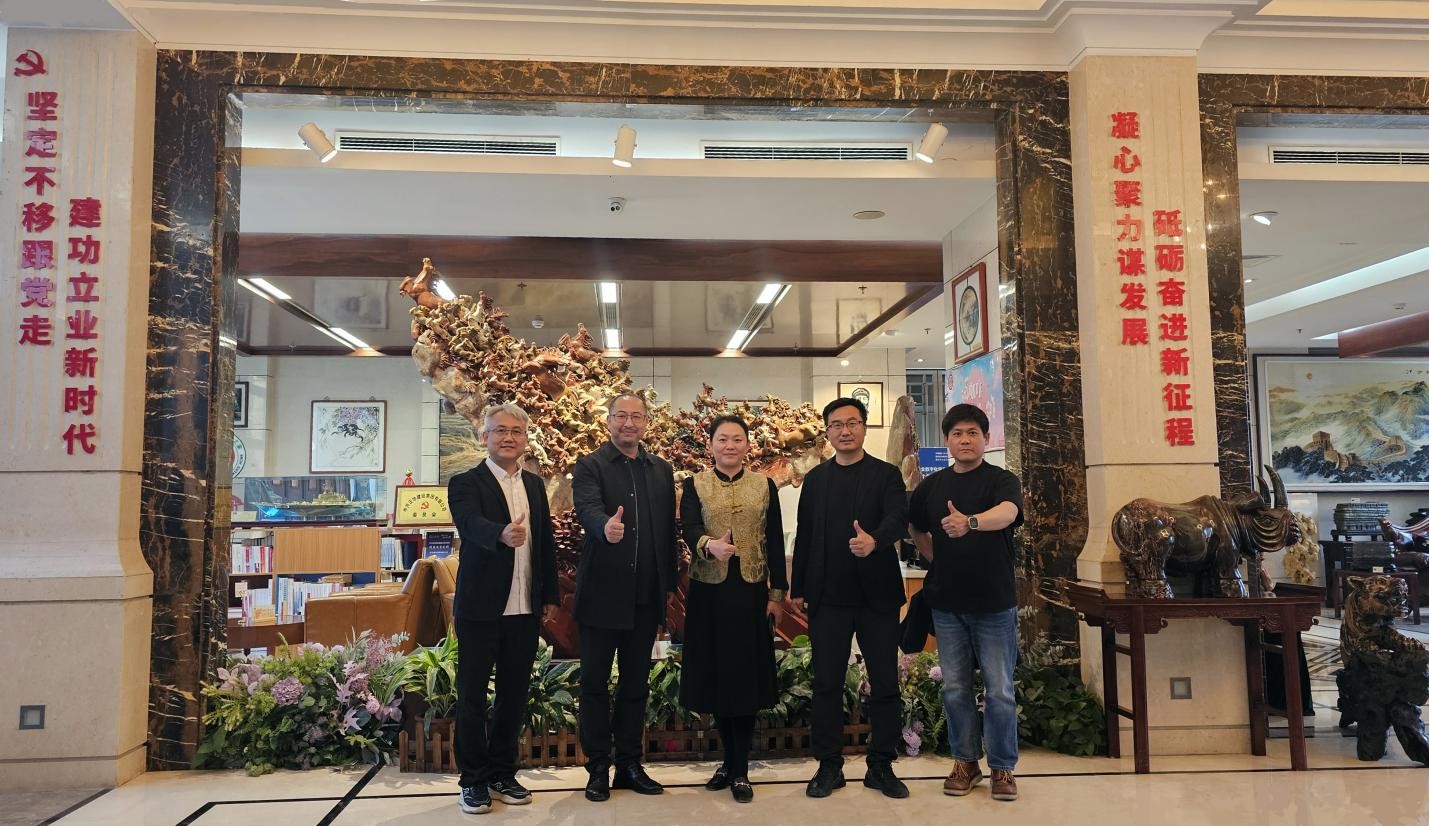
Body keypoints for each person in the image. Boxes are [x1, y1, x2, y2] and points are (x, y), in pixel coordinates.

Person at [791, 397, 911, 800]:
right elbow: (805, 534)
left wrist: (875, 540)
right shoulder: (816, 480)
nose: (845, 430)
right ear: (827, 432)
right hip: (828, 598)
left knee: (885, 683)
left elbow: (899, 518)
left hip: (877, 597)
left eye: (852, 423)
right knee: (826, 683)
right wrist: (798, 588)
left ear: (864, 427)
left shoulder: (886, 475)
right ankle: (829, 765)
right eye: (837, 425)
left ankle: (881, 765)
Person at [447, 403, 560, 816]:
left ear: (525, 439)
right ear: (484, 437)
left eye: (516, 431)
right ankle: (473, 780)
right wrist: (501, 533)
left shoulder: (534, 485)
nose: (508, 437)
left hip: (525, 606)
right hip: (480, 608)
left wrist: (549, 596)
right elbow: (469, 524)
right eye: (500, 431)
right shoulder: (465, 482)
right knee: (472, 697)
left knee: (513, 695)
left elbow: (544, 543)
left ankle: (501, 773)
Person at [908, 403, 1024, 803]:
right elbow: (915, 526)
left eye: (973, 432)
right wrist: (935, 556)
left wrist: (970, 522)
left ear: (985, 438)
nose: (965, 439)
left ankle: (1003, 767)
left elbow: (1008, 514)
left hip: (994, 603)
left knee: (1000, 689)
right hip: (948, 605)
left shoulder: (1002, 480)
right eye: (957, 433)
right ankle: (965, 763)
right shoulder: (931, 487)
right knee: (955, 688)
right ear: (947, 440)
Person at [571, 392, 678, 802]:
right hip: (601, 596)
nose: (629, 423)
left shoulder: (661, 470)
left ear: (647, 422)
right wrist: (605, 527)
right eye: (621, 416)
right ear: (608, 421)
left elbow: (667, 532)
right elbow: (587, 509)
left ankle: (630, 764)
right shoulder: (590, 465)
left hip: (645, 598)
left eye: (636, 416)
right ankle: (598, 767)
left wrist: (668, 587)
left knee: (636, 685)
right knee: (594, 685)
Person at [679, 415, 788, 804]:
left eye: (737, 439)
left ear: (747, 445)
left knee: (743, 678)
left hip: (751, 592)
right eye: (722, 439)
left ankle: (739, 769)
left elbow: (774, 538)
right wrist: (710, 545)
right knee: (717, 678)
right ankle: (729, 761)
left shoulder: (764, 485)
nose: (729, 445)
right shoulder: (694, 484)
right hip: (709, 593)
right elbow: (688, 527)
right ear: (711, 445)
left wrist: (778, 594)